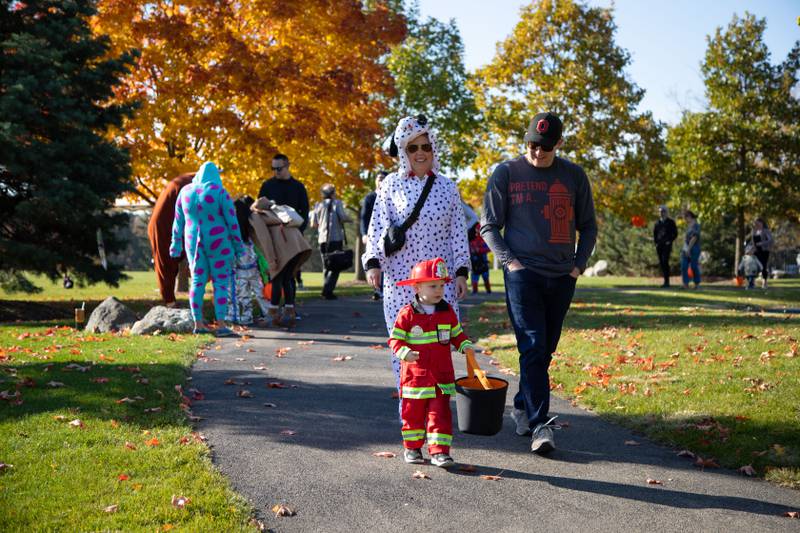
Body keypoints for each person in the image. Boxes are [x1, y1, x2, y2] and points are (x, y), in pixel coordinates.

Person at [481, 112, 597, 454]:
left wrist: (578, 266)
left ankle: (522, 404)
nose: (537, 152)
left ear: (558, 143)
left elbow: (588, 226)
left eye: (545, 147)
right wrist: (511, 264)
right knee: (532, 344)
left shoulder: (574, 176)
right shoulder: (506, 173)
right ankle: (539, 425)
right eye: (532, 145)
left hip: (562, 276)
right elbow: (489, 226)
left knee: (544, 349)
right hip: (523, 274)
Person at [362, 114, 470, 393]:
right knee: (405, 348)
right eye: (413, 147)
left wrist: (461, 272)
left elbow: (458, 232)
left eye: (426, 147)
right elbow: (377, 228)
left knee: (438, 346)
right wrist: (373, 262)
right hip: (400, 281)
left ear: (433, 149)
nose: (420, 153)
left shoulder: (448, 187)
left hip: (439, 283)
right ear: (402, 151)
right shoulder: (389, 186)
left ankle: (437, 413)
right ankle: (409, 410)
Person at [388, 258, 475, 468]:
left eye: (442, 285)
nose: (439, 290)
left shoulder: (447, 312)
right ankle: (412, 447)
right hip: (414, 379)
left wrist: (465, 345)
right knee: (413, 414)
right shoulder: (407, 314)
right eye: (433, 285)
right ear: (417, 287)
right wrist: (404, 352)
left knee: (440, 414)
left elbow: (457, 335)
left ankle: (440, 452)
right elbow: (395, 340)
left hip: (441, 377)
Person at [169, 162, 243, 336]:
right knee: (221, 282)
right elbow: (233, 223)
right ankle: (221, 324)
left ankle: (198, 323)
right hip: (219, 241)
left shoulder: (185, 192)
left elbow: (177, 221)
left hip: (193, 241)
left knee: (197, 281)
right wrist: (239, 247)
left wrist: (175, 245)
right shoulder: (220, 192)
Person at [249, 197, 312, 327]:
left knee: (277, 279)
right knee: (287, 279)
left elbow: (264, 239)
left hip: (284, 248)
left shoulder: (256, 216)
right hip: (297, 245)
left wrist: (271, 260)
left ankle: (272, 314)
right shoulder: (278, 212)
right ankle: (289, 313)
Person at [258, 153, 309, 289]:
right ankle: (272, 307)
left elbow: (304, 212)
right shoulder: (267, 186)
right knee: (274, 276)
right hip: (273, 237)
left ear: (287, 166)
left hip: (293, 235)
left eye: (278, 168)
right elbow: (259, 211)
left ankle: (289, 307)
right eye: (273, 168)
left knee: (289, 275)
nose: (275, 172)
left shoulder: (298, 187)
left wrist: (298, 232)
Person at [148, 172, 194, 306]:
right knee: (166, 265)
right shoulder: (191, 184)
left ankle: (172, 302)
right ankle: (170, 303)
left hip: (175, 223)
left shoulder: (188, 182)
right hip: (164, 226)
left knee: (170, 263)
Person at [226, 197, 270, 326]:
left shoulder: (233, 230)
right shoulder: (251, 227)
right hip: (253, 268)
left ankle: (246, 318)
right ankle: (269, 314)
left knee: (244, 296)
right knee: (260, 293)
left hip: (239, 270)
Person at [310, 183, 351, 300]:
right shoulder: (337, 203)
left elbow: (313, 224)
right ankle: (327, 291)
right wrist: (350, 220)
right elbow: (342, 217)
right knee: (336, 266)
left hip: (322, 239)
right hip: (335, 238)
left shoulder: (318, 205)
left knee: (326, 265)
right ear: (333, 193)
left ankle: (326, 290)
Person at [361, 171, 388, 300]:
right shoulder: (370, 197)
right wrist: (364, 233)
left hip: (387, 234)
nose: (380, 180)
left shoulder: (392, 196)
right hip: (373, 234)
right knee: (374, 260)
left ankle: (383, 288)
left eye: (383, 178)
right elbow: (364, 217)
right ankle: (377, 289)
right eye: (379, 178)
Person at [653, 205, 678, 288]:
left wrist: (669, 241)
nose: (661, 213)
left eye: (663, 211)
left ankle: (667, 281)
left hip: (667, 245)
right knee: (661, 263)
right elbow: (655, 234)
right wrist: (656, 243)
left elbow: (675, 234)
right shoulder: (657, 223)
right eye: (660, 211)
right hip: (659, 246)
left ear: (666, 212)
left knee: (665, 261)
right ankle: (664, 281)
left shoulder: (671, 222)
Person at [749, 218, 773, 289]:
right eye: (756, 223)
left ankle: (764, 282)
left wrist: (761, 243)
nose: (757, 224)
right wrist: (751, 249)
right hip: (756, 251)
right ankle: (752, 282)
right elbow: (752, 242)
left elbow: (770, 240)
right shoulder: (754, 231)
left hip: (764, 251)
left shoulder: (766, 231)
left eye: (758, 223)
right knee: (753, 266)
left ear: (762, 223)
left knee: (763, 266)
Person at [680, 210, 701, 289]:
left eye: (685, 217)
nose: (685, 220)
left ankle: (697, 284)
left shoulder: (696, 226)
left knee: (693, 266)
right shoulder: (688, 226)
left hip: (694, 248)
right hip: (686, 248)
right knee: (684, 266)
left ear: (689, 216)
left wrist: (689, 249)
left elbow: (694, 238)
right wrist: (685, 248)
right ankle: (685, 283)